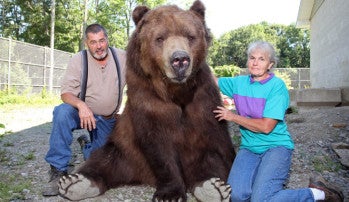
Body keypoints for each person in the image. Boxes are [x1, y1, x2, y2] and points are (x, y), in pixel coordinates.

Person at [213, 41, 344, 202]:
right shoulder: (238, 83)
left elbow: (266, 127)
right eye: (252, 58)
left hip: (276, 147)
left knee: (261, 199)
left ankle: (319, 194)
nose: (255, 63)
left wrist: (233, 116)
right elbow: (212, 80)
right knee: (237, 196)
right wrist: (192, 57)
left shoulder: (277, 87)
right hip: (249, 148)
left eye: (261, 59)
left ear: (270, 64)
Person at [42, 23, 127, 196]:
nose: (99, 46)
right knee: (62, 112)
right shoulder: (78, 60)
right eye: (93, 42)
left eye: (102, 40)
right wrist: (81, 106)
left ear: (107, 40)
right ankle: (58, 170)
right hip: (83, 114)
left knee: (98, 163)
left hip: (107, 118)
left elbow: (141, 82)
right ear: (86, 43)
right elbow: (66, 94)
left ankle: (86, 144)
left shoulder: (122, 57)